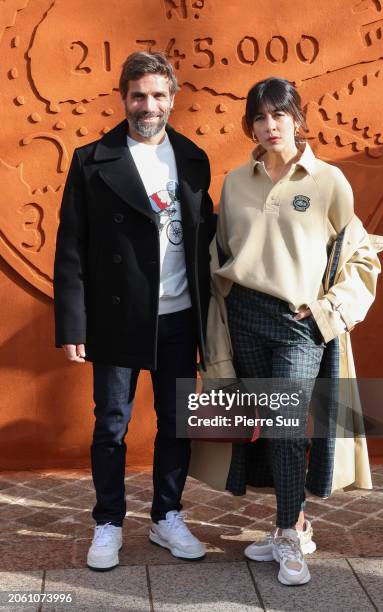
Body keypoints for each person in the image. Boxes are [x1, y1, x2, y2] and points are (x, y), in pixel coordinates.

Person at [204, 77, 383, 586]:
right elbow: (222, 257)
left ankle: (287, 535)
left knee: (286, 428)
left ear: (297, 118)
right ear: (250, 126)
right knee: (263, 433)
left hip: (298, 325)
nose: (270, 125)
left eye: (279, 114)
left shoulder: (328, 182)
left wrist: (329, 312)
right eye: (259, 117)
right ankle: (296, 521)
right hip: (244, 318)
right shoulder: (235, 183)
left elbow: (361, 254)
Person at [54, 51, 215, 571]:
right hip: (118, 317)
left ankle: (168, 516)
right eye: (139, 95)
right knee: (112, 424)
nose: (149, 105)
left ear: (173, 98)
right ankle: (108, 522)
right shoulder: (91, 159)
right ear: (123, 97)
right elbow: (72, 247)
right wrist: (73, 324)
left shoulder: (192, 159)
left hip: (181, 314)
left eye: (158, 95)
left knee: (177, 423)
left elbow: (205, 242)